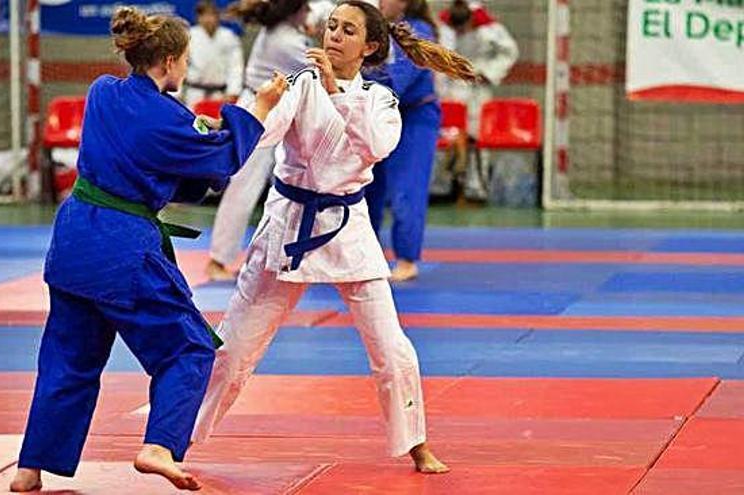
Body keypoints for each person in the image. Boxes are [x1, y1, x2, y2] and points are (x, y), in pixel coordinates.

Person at [9, 6, 286, 492]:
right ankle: (159, 446)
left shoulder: (102, 92)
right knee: (190, 349)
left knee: (68, 360)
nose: (186, 70)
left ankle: (29, 469)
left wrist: (196, 149)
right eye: (185, 62)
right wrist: (259, 110)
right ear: (170, 62)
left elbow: (167, 166)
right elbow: (221, 160)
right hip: (123, 249)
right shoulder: (168, 121)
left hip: (73, 241)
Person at [191, 0, 474, 473]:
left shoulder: (379, 100)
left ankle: (416, 442)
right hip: (288, 224)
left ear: (370, 47)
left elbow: (374, 148)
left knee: (390, 347)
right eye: (332, 27)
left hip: (347, 226)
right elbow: (265, 132)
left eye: (348, 30)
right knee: (235, 346)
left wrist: (334, 91)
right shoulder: (300, 85)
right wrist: (233, 125)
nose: (334, 36)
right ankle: (179, 435)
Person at [205, 0, 313, 281]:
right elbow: (325, 71)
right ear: (295, 11)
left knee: (289, 184)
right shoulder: (285, 40)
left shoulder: (281, 30)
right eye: (306, 10)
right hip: (258, 111)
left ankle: (287, 256)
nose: (309, 14)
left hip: (266, 109)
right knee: (244, 187)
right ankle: (217, 260)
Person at [363, 0, 446, 282]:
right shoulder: (369, 28)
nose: (382, 1)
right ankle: (363, 256)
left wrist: (348, 75)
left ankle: (407, 258)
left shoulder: (419, 31)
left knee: (406, 188)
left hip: (414, 117)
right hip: (375, 115)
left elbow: (398, 81)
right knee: (365, 188)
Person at [443, 0, 519, 200]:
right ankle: (441, 187)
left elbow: (510, 51)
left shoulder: (489, 29)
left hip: (477, 89)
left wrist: (489, 72)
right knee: (445, 138)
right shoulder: (443, 26)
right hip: (449, 87)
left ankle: (476, 188)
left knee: (477, 138)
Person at [183, 0, 244, 106]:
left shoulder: (229, 36)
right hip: (194, 92)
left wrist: (233, 91)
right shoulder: (189, 35)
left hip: (221, 93)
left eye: (211, 15)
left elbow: (235, 66)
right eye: (204, 15)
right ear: (198, 18)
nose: (208, 19)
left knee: (218, 121)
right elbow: (182, 64)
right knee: (194, 121)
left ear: (217, 17)